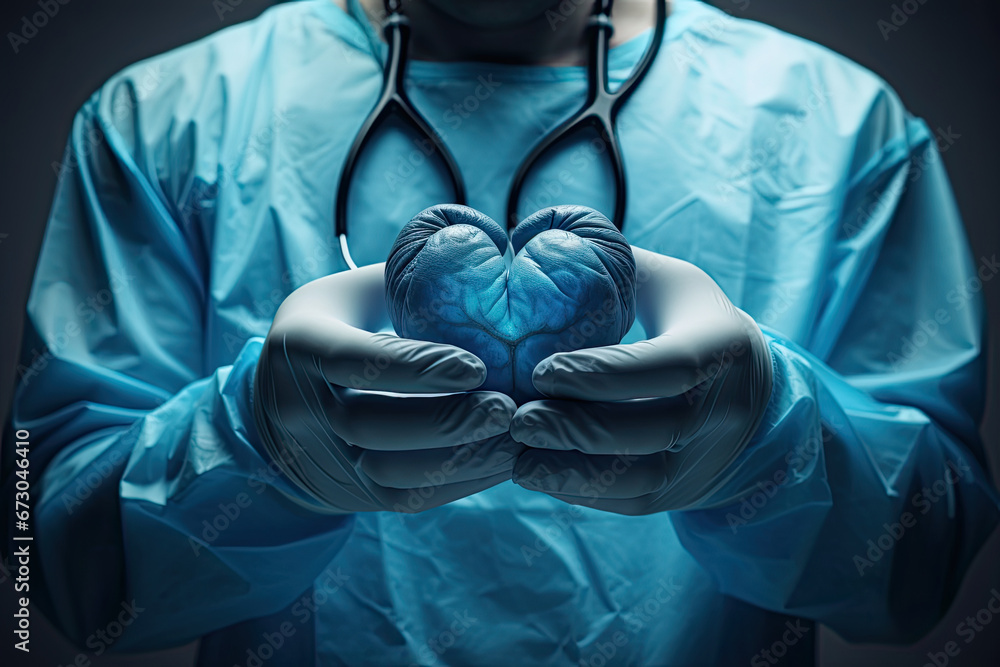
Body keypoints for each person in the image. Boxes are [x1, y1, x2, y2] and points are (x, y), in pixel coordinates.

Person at [4, 0, 998, 664]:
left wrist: (776, 433)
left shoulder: (837, 125)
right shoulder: (160, 120)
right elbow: (47, 573)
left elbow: (922, 568)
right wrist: (250, 438)